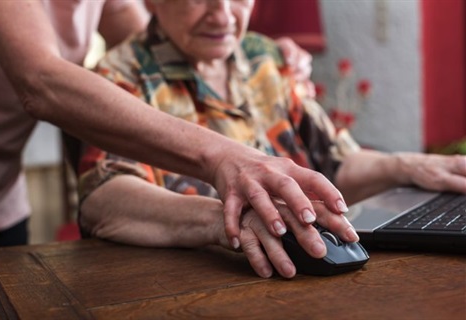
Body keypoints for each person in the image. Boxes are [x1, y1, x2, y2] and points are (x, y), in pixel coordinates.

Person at [77, 0, 466, 278]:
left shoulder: (266, 57)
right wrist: (230, 219)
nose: (223, 14)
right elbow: (104, 198)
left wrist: (407, 165)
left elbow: (333, 162)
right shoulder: (119, 76)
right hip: (189, 283)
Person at [0, 0, 328, 248]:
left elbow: (157, 56)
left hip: (0, 197)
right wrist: (223, 158)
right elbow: (40, 83)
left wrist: (251, 55)